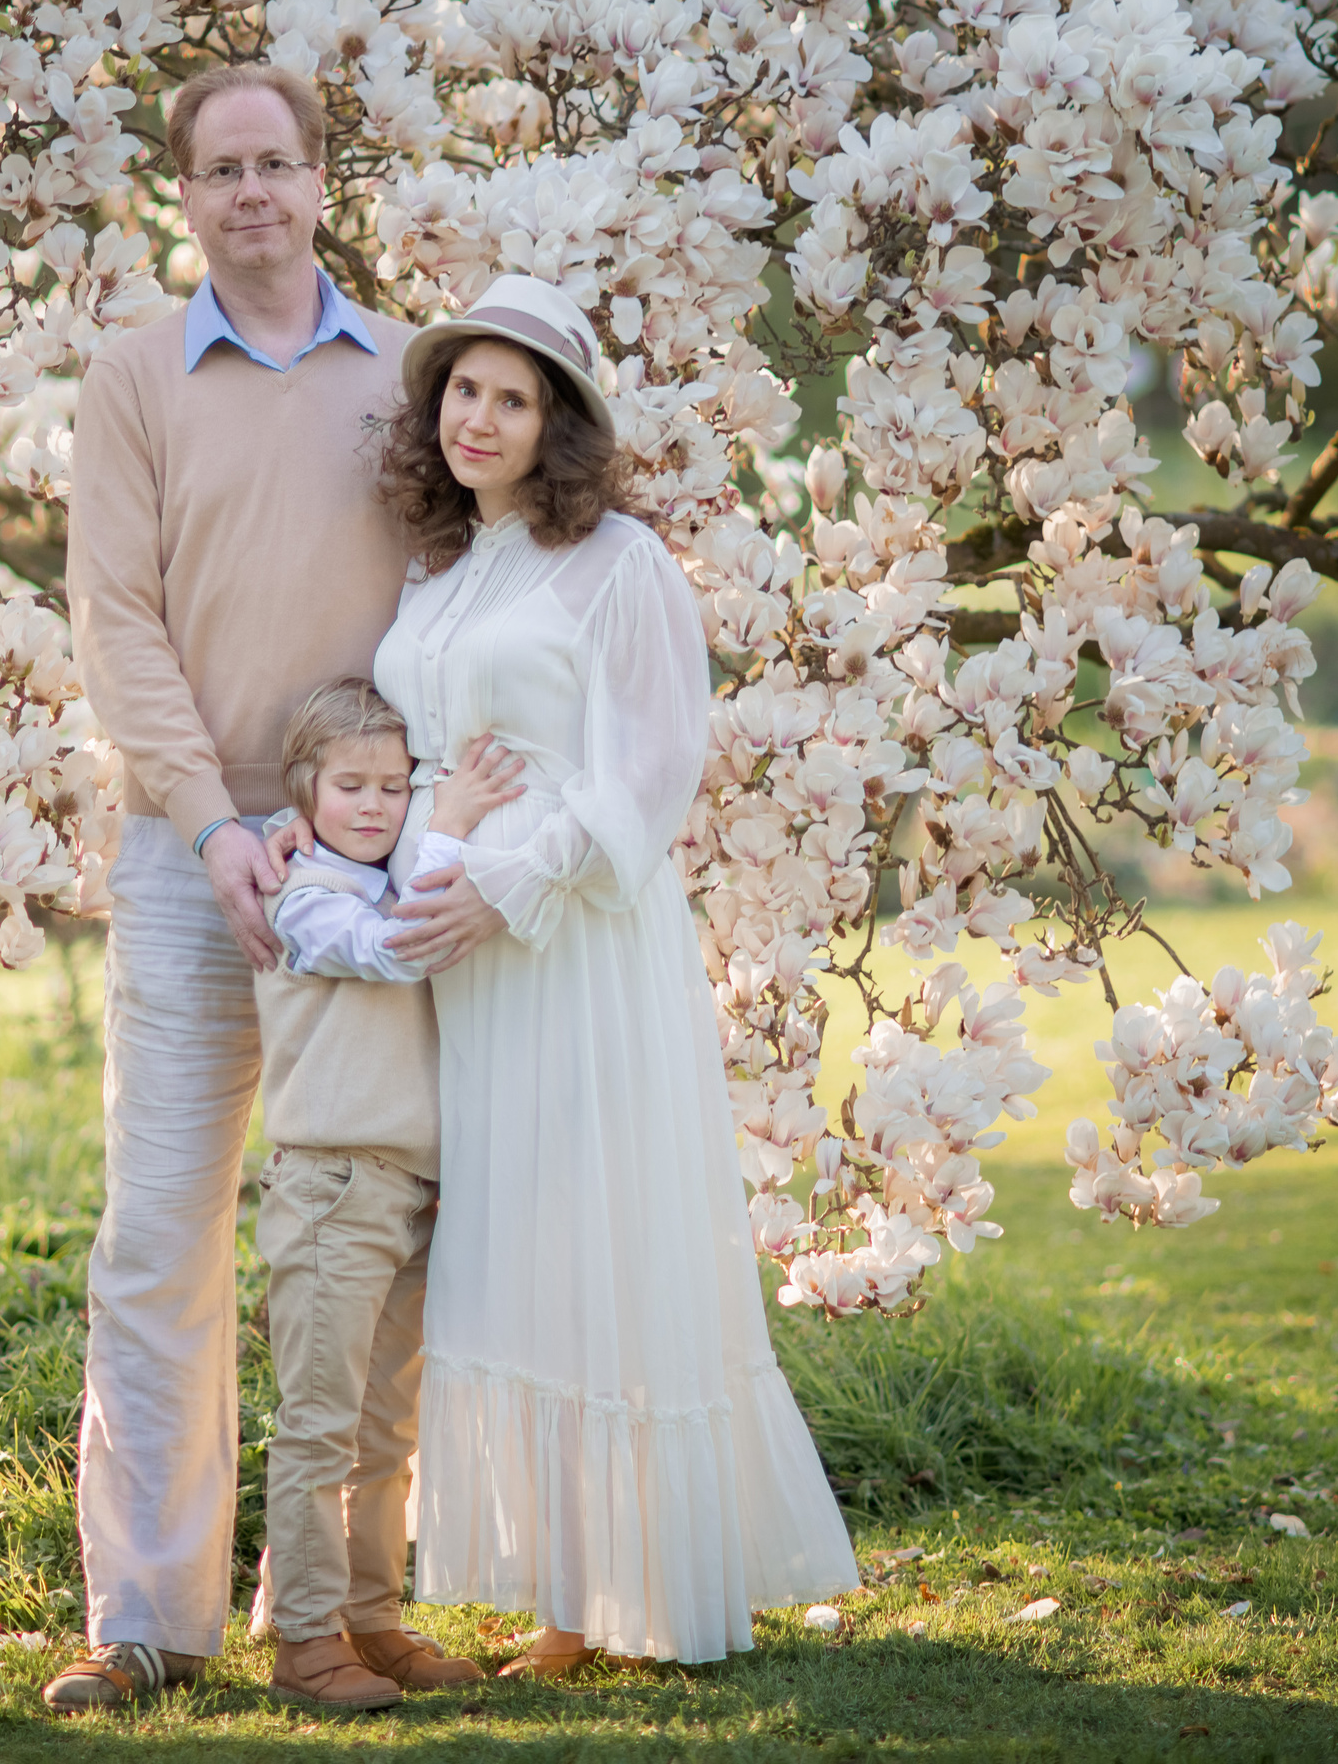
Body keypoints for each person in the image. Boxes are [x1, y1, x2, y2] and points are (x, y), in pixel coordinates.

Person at [368, 274, 861, 1667]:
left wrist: (510, 885)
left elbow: (654, 769)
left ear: (558, 423)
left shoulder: (621, 563)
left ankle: (629, 1597)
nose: (480, 416)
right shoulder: (436, 567)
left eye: (513, 397)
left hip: (574, 936)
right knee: (513, 1246)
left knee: (596, 1234)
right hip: (464, 946)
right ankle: (565, 1591)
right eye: (464, 387)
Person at [51, 63, 416, 1712]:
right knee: (162, 1229)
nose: (252, 192)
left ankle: (339, 1599)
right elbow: (115, 617)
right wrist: (210, 821)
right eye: (221, 170)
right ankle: (146, 1617)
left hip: (366, 858)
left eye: (277, 163)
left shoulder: (410, 375)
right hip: (193, 850)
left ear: (322, 181)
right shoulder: (135, 377)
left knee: (363, 1225)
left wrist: (382, 820)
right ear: (185, 197)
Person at [250, 680, 516, 1711]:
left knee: (382, 1430)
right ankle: (307, 1639)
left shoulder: (370, 864)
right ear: (305, 789)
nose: (375, 804)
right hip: (330, 1186)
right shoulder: (306, 892)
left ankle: (371, 1617)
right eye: (350, 784)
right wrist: (446, 828)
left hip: (408, 1187)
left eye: (397, 787)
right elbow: (393, 943)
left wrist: (426, 832)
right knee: (318, 1422)